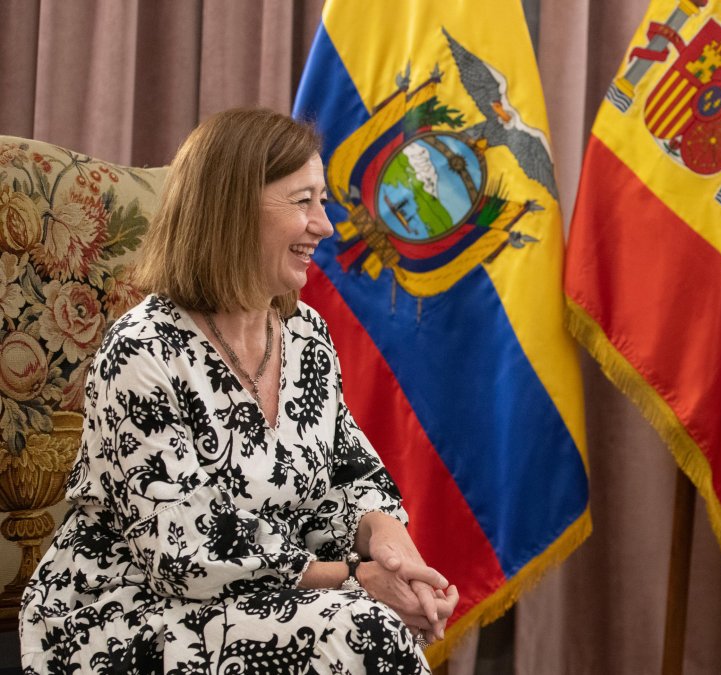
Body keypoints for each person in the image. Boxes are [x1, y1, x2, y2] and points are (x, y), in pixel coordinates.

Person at [20, 108, 458, 673]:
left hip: (265, 599)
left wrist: (402, 565)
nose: (324, 225)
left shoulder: (306, 337)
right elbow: (178, 550)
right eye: (303, 201)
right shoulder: (143, 350)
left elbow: (352, 479)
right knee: (362, 628)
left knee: (371, 622)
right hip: (130, 612)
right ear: (231, 210)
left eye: (321, 201)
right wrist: (355, 578)